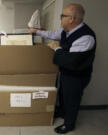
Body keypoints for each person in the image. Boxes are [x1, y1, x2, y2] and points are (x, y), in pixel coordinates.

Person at [30, 3, 96, 134]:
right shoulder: (67, 31)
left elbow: (71, 61)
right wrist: (36, 31)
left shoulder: (85, 37)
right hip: (67, 73)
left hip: (77, 75)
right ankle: (62, 112)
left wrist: (57, 48)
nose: (61, 18)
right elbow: (53, 34)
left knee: (72, 99)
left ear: (71, 19)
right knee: (63, 93)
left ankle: (69, 124)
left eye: (62, 16)